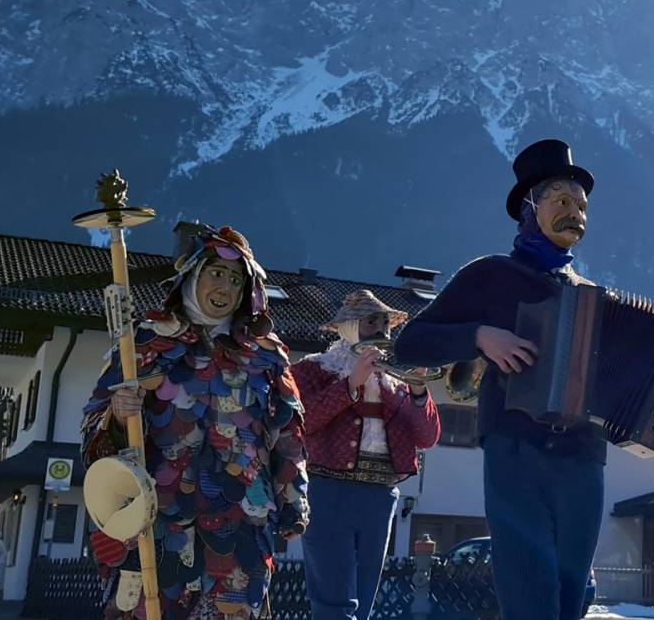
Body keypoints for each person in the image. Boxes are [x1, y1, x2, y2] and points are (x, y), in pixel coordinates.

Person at [392, 138, 654, 619]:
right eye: (562, 200)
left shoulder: (592, 298)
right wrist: (481, 336)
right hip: (515, 450)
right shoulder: (490, 275)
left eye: (581, 205)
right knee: (527, 588)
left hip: (583, 458)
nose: (575, 212)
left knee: (571, 591)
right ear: (529, 207)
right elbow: (410, 343)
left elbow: (646, 390)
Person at [79, 225, 309, 620]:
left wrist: (294, 502)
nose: (225, 286)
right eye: (216, 273)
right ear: (191, 279)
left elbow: (288, 436)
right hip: (158, 512)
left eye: (236, 279)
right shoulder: (144, 346)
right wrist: (118, 415)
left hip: (243, 515)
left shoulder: (268, 358)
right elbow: (93, 428)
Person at [292, 289, 441, 620]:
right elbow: (303, 421)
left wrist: (418, 391)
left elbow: (427, 437)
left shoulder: (395, 384)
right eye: (371, 322)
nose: (381, 331)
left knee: (362, 597)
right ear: (349, 328)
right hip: (329, 490)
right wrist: (349, 385)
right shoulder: (314, 370)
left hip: (380, 495)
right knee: (335, 603)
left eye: (386, 324)